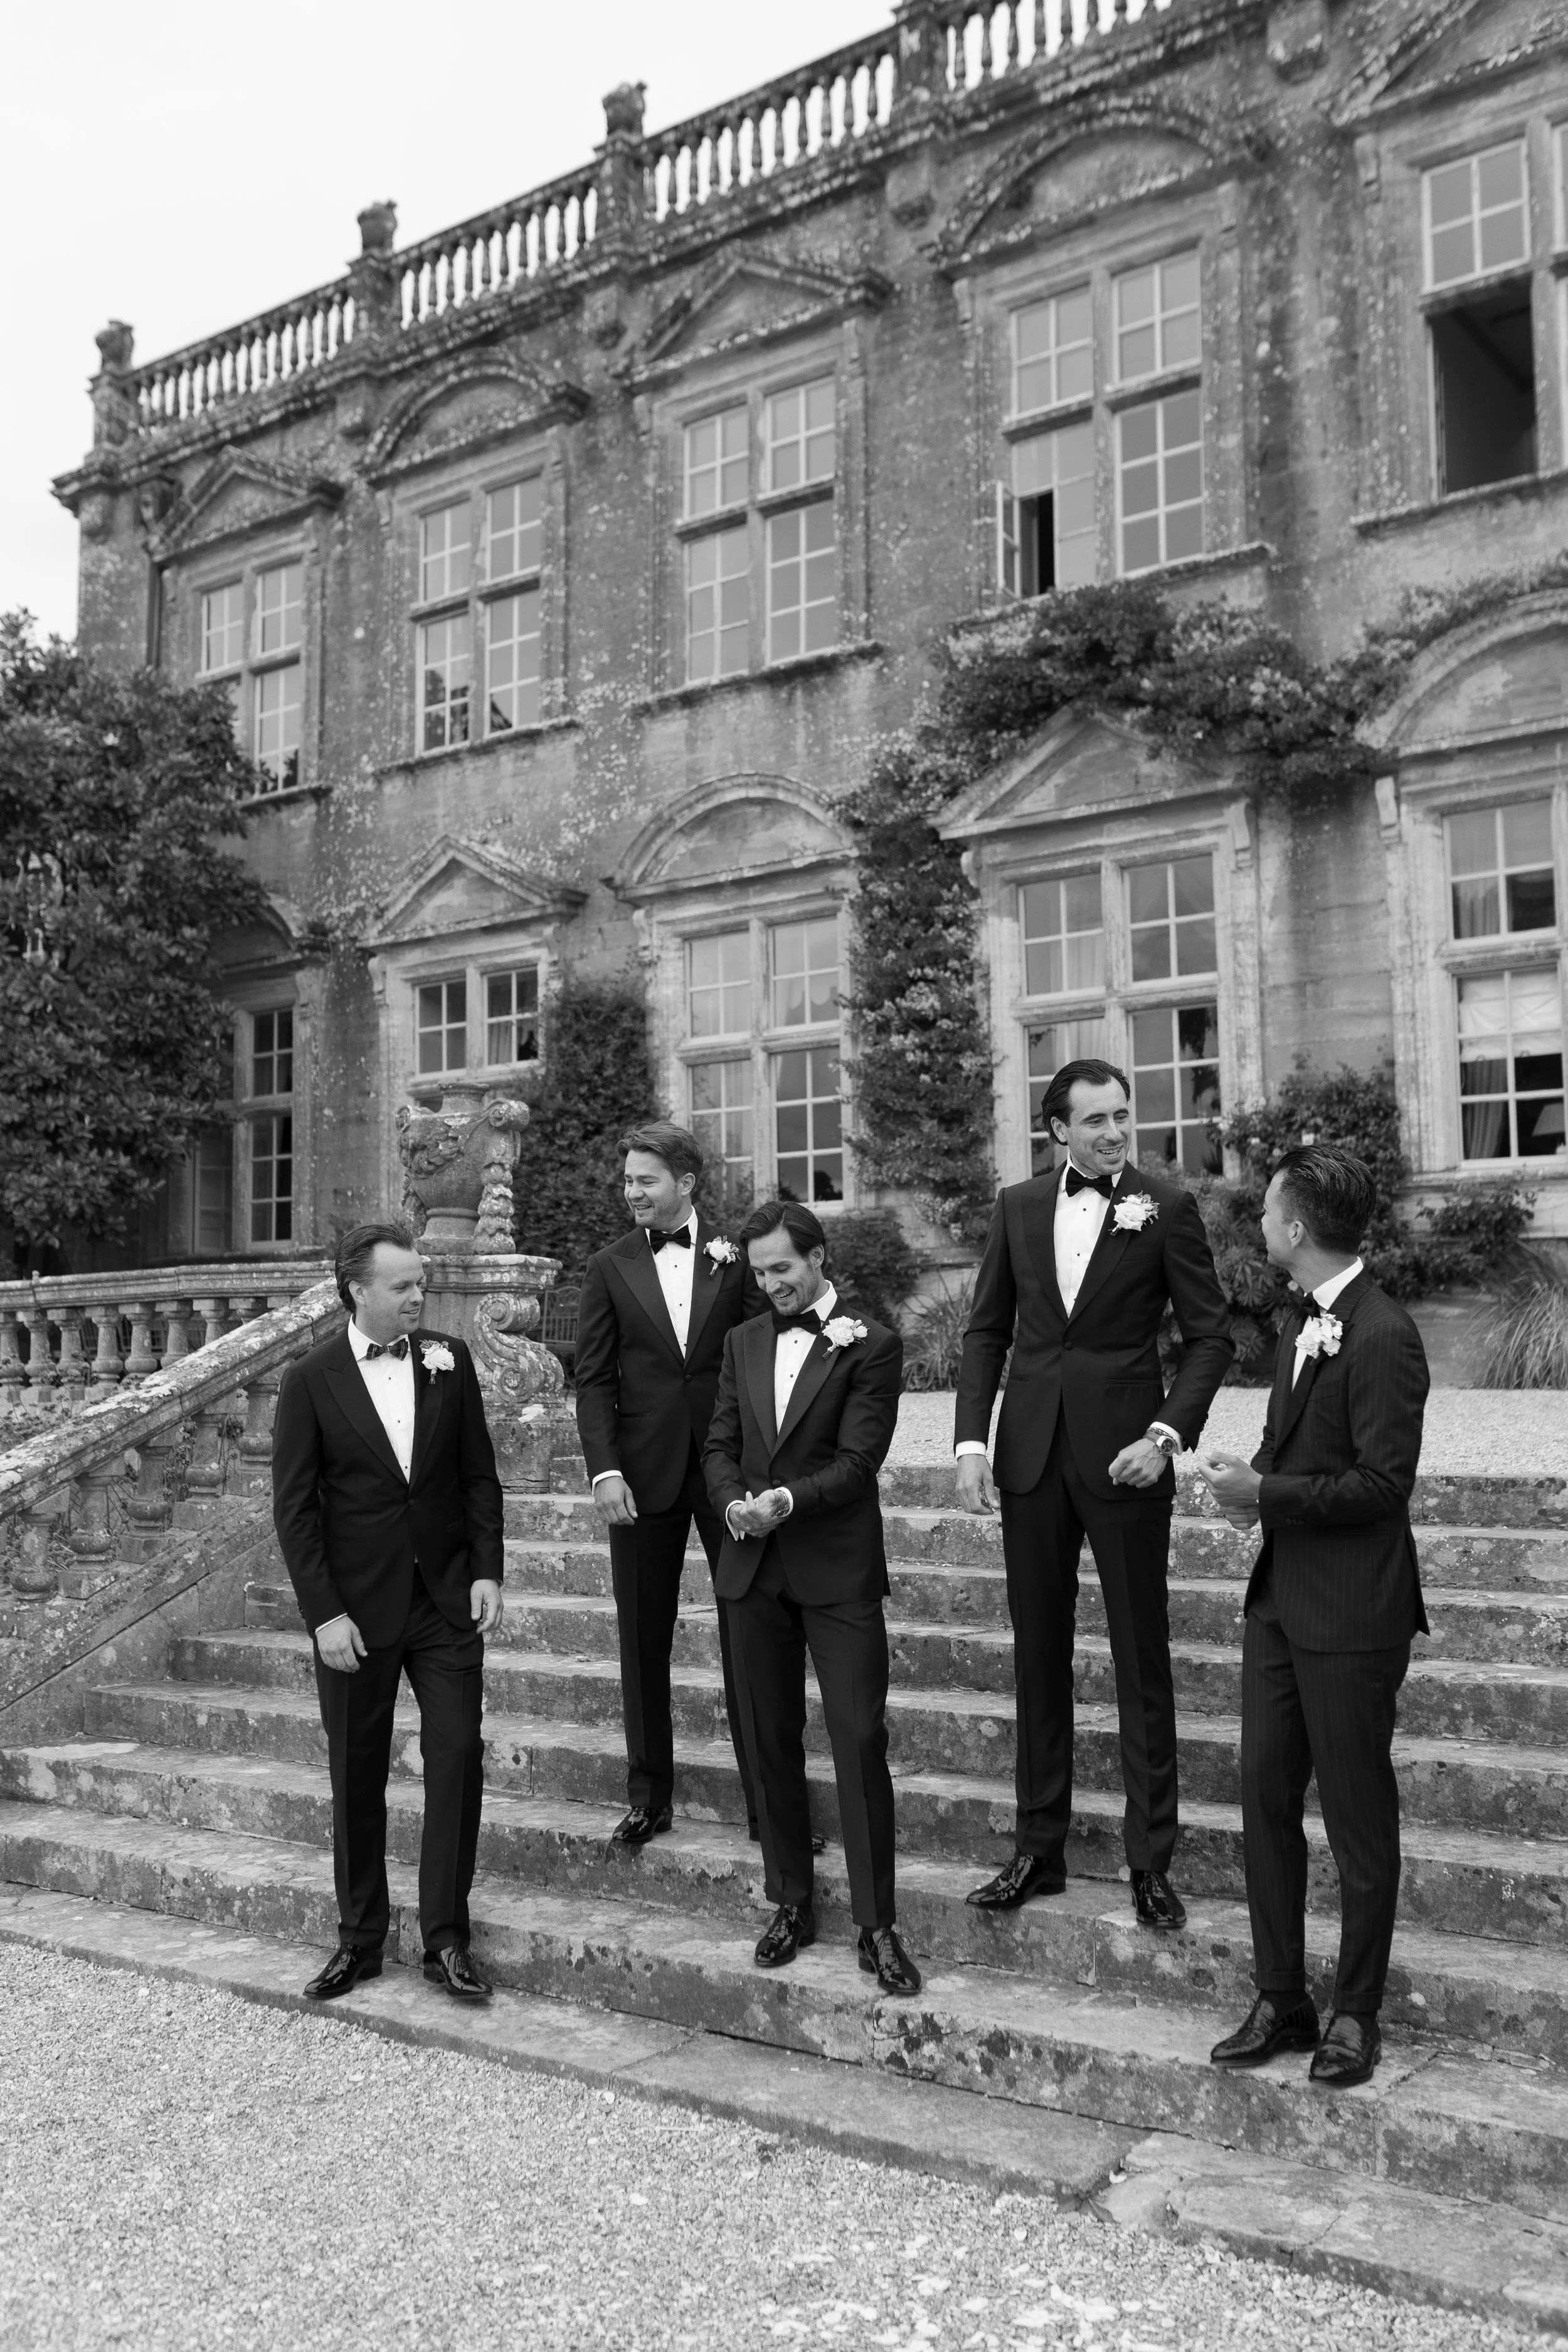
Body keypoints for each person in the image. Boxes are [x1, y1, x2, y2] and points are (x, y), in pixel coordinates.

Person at [953, 1059, 1233, 1930]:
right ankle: (1038, 1850)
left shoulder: (1167, 1207)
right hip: (1030, 1456)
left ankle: (1150, 1861)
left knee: (1140, 1658)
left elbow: (1211, 1338)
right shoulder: (1017, 1206)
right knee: (1037, 1656)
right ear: (1057, 1130)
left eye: (1121, 1115)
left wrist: (1165, 1436)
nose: (1115, 1132)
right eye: (1096, 1119)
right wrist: (971, 1443)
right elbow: (987, 1331)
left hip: (1126, 1459)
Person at [1200, 1145, 1429, 2089]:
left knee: (1356, 1819)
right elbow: (1287, 1452)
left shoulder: (1382, 1333)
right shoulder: (1301, 1322)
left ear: (1295, 1228)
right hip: (1279, 1604)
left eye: (1266, 1210)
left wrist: (1268, 1493)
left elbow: (1382, 1485)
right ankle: (1281, 1995)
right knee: (1264, 1798)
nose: (1259, 1222)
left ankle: (1356, 2012)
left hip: (1353, 1613)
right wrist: (1247, 1484)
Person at [271, 1220, 504, 2002]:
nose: (418, 1296)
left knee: (458, 1757)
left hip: (444, 1602)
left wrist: (487, 1570)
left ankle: (446, 1941)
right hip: (356, 1614)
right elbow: (295, 1511)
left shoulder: (450, 1360)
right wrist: (324, 1615)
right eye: (403, 1285)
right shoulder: (310, 1379)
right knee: (356, 1772)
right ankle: (360, 1941)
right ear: (357, 1291)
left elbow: (478, 1477)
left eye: (421, 1282)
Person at [703, 1199, 919, 1994]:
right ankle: (790, 1902)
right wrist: (732, 1504)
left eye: (783, 1268)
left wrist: (786, 1501)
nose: (771, 1285)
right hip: (751, 1568)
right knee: (769, 1740)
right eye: (760, 1273)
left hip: (835, 1570)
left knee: (858, 1738)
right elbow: (719, 1443)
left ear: (818, 1257)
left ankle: (876, 1924)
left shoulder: (873, 1343)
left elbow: (860, 1461)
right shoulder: (741, 1340)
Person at [574, 1123, 768, 1846]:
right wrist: (605, 1469)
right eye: (627, 1180)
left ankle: (768, 1807)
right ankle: (648, 1797)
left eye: (645, 1180)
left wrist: (760, 1466)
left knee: (749, 1636)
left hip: (728, 1474)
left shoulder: (736, 1259)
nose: (631, 1192)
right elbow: (593, 1379)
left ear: (685, 1183)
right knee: (641, 1638)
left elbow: (762, 1361)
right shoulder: (608, 1266)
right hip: (639, 1475)